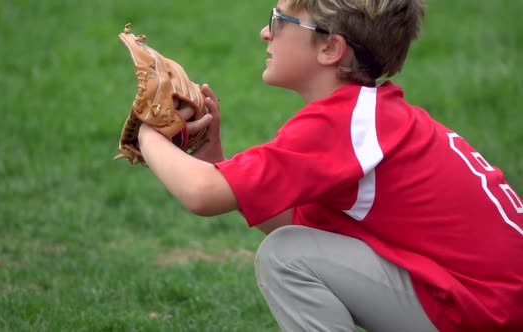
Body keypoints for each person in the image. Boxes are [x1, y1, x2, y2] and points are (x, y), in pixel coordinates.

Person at [135, 0, 523, 331]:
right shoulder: (369, 117)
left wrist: (146, 133)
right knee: (292, 247)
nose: (264, 33)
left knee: (284, 258)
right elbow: (301, 226)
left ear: (330, 49)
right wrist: (216, 162)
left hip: (490, 310)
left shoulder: (345, 124)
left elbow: (201, 195)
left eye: (279, 19)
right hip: (499, 301)